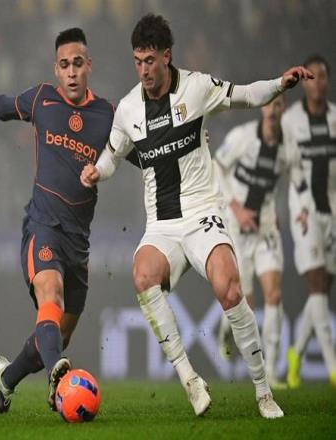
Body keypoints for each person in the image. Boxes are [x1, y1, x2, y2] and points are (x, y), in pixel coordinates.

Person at [81, 13, 313, 419]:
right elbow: (113, 156)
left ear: (167, 56)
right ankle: (190, 380)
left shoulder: (197, 87)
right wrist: (97, 172)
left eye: (150, 60)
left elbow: (246, 95)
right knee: (142, 275)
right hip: (162, 225)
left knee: (230, 289)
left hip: (202, 212)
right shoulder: (129, 108)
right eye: (137, 61)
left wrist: (280, 83)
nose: (143, 70)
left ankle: (263, 392)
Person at [0, 28, 115, 413]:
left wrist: (191, 147)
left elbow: (140, 152)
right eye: (64, 65)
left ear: (89, 66)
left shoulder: (107, 115)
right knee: (50, 296)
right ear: (56, 69)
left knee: (56, 336)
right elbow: (0, 106)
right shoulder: (42, 99)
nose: (72, 72)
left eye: (78, 63)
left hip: (79, 242)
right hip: (42, 227)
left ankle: (8, 378)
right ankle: (59, 379)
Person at [214, 94, 310, 389]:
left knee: (274, 295)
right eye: (269, 103)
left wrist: (301, 209)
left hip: (266, 227)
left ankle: (271, 371)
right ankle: (225, 330)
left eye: (279, 104)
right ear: (262, 107)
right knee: (244, 300)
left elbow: (298, 180)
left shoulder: (288, 145)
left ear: (283, 110)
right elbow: (217, 167)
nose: (273, 109)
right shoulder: (242, 137)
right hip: (236, 226)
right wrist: (236, 208)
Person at [282, 54, 336, 389]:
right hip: (304, 207)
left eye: (322, 76)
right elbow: (282, 161)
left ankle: (296, 353)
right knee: (316, 282)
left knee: (323, 290)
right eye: (311, 76)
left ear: (327, 81)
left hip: (331, 206)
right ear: (304, 83)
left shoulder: (335, 119)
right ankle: (333, 367)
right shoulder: (291, 121)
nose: (317, 82)